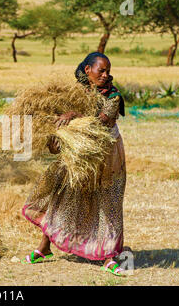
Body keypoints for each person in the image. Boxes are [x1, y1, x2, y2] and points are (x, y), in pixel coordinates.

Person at [21, 52, 127, 276]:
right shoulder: (75, 92)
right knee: (62, 195)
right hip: (78, 151)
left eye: (108, 70)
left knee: (106, 202)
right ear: (88, 71)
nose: (106, 75)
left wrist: (74, 115)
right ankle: (45, 247)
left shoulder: (113, 95)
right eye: (101, 70)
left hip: (105, 153)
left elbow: (102, 121)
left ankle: (108, 255)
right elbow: (61, 119)